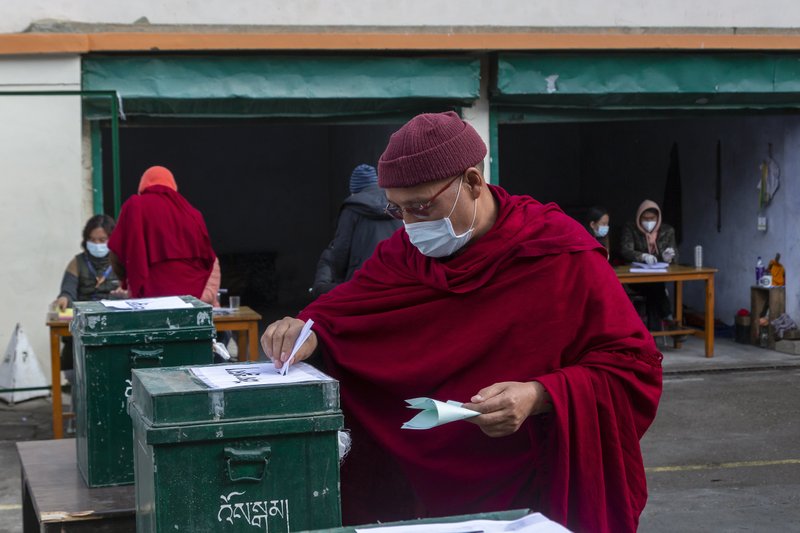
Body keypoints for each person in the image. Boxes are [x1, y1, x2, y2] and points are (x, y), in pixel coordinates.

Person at [262, 112, 662, 533]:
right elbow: (344, 312)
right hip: (424, 493)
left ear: (472, 182)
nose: (411, 226)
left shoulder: (557, 253)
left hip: (530, 488)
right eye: (397, 210)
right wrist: (303, 329)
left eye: (421, 206)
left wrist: (540, 394)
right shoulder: (403, 255)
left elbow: (632, 367)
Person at [108, 165, 216, 299]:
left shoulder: (135, 205)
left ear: (143, 185)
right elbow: (208, 259)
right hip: (188, 296)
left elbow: (116, 250)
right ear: (173, 186)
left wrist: (125, 279)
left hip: (149, 293)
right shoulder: (193, 213)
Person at [310, 164, 401, 298]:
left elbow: (341, 249)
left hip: (362, 282)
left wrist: (340, 279)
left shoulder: (351, 208)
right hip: (397, 280)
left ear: (355, 190)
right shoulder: (396, 206)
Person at [54, 214, 126, 382]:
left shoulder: (122, 261)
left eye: (102, 240)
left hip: (114, 326)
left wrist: (125, 293)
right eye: (93, 240)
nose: (97, 245)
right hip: (82, 325)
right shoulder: (77, 263)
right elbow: (67, 291)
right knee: (76, 376)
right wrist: (63, 299)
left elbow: (134, 293)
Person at [620, 200, 679, 329]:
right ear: (639, 217)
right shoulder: (631, 228)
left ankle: (653, 333)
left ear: (658, 218)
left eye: (652, 218)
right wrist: (642, 256)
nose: (648, 222)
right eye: (645, 218)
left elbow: (675, 257)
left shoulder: (667, 231)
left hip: (658, 277)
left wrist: (667, 257)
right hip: (635, 280)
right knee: (656, 288)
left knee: (654, 287)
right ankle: (668, 318)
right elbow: (626, 250)